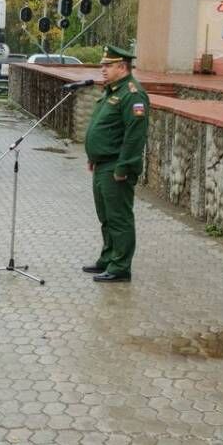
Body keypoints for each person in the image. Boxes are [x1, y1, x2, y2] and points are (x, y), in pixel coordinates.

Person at [83, 45, 149, 283]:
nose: (103, 69)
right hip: (102, 165)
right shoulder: (113, 91)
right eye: (102, 65)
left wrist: (124, 167)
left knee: (119, 217)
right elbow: (105, 129)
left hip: (116, 168)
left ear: (122, 67)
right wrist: (93, 156)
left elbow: (134, 135)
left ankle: (120, 267)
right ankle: (108, 257)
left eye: (108, 65)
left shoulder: (132, 94)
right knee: (106, 216)